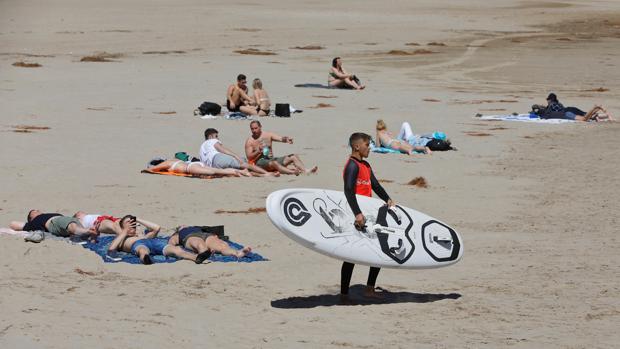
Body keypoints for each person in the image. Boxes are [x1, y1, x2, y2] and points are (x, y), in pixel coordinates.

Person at [341, 132, 394, 304]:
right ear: (357, 146)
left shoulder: (366, 165)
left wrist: (387, 199)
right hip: (356, 215)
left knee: (378, 252)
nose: (369, 147)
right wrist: (357, 213)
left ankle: (370, 288)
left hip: (369, 214)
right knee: (351, 256)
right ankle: (343, 294)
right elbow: (348, 190)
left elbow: (375, 185)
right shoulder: (352, 166)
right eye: (367, 144)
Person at [108, 215, 197, 265]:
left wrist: (137, 219)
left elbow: (156, 228)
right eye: (128, 222)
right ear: (122, 226)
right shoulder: (122, 238)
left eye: (133, 223)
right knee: (142, 250)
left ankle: (196, 258)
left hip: (153, 242)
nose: (131, 224)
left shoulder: (142, 234)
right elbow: (111, 248)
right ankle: (146, 259)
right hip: (138, 244)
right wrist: (124, 231)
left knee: (176, 250)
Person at [244, 120, 318, 175]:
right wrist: (258, 151)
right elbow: (249, 157)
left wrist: (286, 140)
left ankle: (306, 170)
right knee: (274, 163)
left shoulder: (268, 135)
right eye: (252, 129)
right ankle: (292, 172)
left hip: (272, 160)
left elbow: (280, 138)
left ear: (260, 127)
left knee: (293, 156)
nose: (254, 130)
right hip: (260, 163)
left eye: (256, 128)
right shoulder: (250, 141)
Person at [200, 128, 277, 177]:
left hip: (214, 166)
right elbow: (222, 149)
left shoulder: (202, 147)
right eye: (216, 136)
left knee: (241, 171)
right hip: (219, 158)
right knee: (246, 165)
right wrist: (236, 156)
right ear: (210, 136)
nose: (218, 138)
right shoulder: (212, 141)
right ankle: (266, 173)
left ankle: (259, 175)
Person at [168, 225, 252, 264]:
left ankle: (237, 253)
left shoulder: (196, 227)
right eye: (180, 226)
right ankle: (204, 254)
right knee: (199, 244)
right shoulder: (178, 234)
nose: (183, 225)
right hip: (190, 237)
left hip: (206, 235)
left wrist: (216, 237)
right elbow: (171, 243)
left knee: (222, 246)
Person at [9, 209, 97, 241]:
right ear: (31, 217)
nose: (38, 210)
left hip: (66, 220)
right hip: (55, 223)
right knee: (72, 228)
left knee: (73, 225)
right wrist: (28, 224)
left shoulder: (42, 217)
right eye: (34, 211)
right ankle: (88, 231)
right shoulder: (33, 222)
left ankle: (88, 232)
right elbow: (13, 224)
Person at [538, 93, 613, 121]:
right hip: (570, 110)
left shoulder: (551, 106)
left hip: (567, 113)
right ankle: (601, 113)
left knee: (584, 118)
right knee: (586, 115)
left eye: (547, 100)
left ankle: (595, 108)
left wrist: (543, 108)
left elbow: (554, 110)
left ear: (550, 100)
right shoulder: (558, 103)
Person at [146, 158, 251, 177]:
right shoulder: (172, 159)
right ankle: (241, 171)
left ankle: (235, 172)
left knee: (215, 173)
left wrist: (145, 170)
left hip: (190, 168)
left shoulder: (167, 163)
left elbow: (153, 169)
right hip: (195, 164)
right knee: (218, 171)